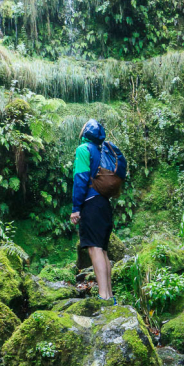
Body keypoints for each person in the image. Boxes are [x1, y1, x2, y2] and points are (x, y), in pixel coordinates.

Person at [70, 119, 114, 302]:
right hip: (104, 205)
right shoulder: (102, 152)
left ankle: (103, 296)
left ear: (86, 132)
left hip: (91, 204)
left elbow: (80, 179)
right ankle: (110, 295)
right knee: (102, 250)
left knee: (94, 250)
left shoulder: (83, 150)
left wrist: (76, 209)